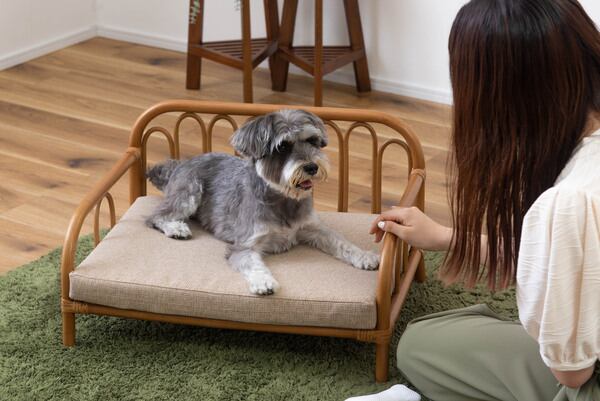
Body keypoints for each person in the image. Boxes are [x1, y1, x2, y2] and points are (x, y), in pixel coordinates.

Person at [348, 0, 600, 400]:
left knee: (422, 348)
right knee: (424, 343)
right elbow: (574, 255)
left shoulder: (570, 201)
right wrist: (448, 237)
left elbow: (573, 373)